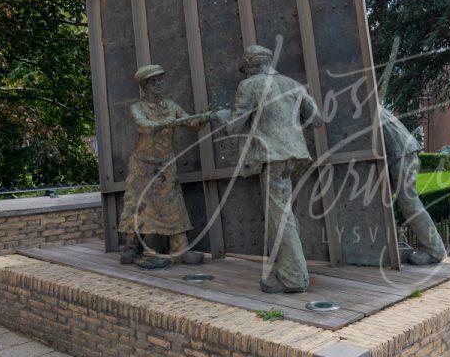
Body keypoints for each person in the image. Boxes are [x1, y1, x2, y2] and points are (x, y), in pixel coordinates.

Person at [217, 45, 322, 293]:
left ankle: (294, 277)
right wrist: (290, 128)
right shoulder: (292, 83)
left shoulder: (250, 85)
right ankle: (288, 268)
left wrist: (220, 116)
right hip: (296, 156)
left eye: (245, 70)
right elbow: (316, 118)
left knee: (280, 217)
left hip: (273, 157)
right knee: (285, 215)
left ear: (252, 65)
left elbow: (233, 126)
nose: (245, 75)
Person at [118, 65, 210, 268]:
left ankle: (180, 249)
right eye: (153, 81)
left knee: (173, 205)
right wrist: (165, 123)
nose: (159, 84)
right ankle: (134, 247)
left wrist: (205, 117)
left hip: (166, 165)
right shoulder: (137, 108)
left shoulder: (170, 105)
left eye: (160, 80)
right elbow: (143, 126)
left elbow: (190, 123)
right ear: (144, 86)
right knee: (139, 206)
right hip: (142, 166)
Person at [380, 107, 447, 265]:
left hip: (402, 155)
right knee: (381, 201)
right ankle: (387, 244)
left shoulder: (365, 107)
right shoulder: (368, 104)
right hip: (398, 155)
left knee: (409, 202)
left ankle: (435, 250)